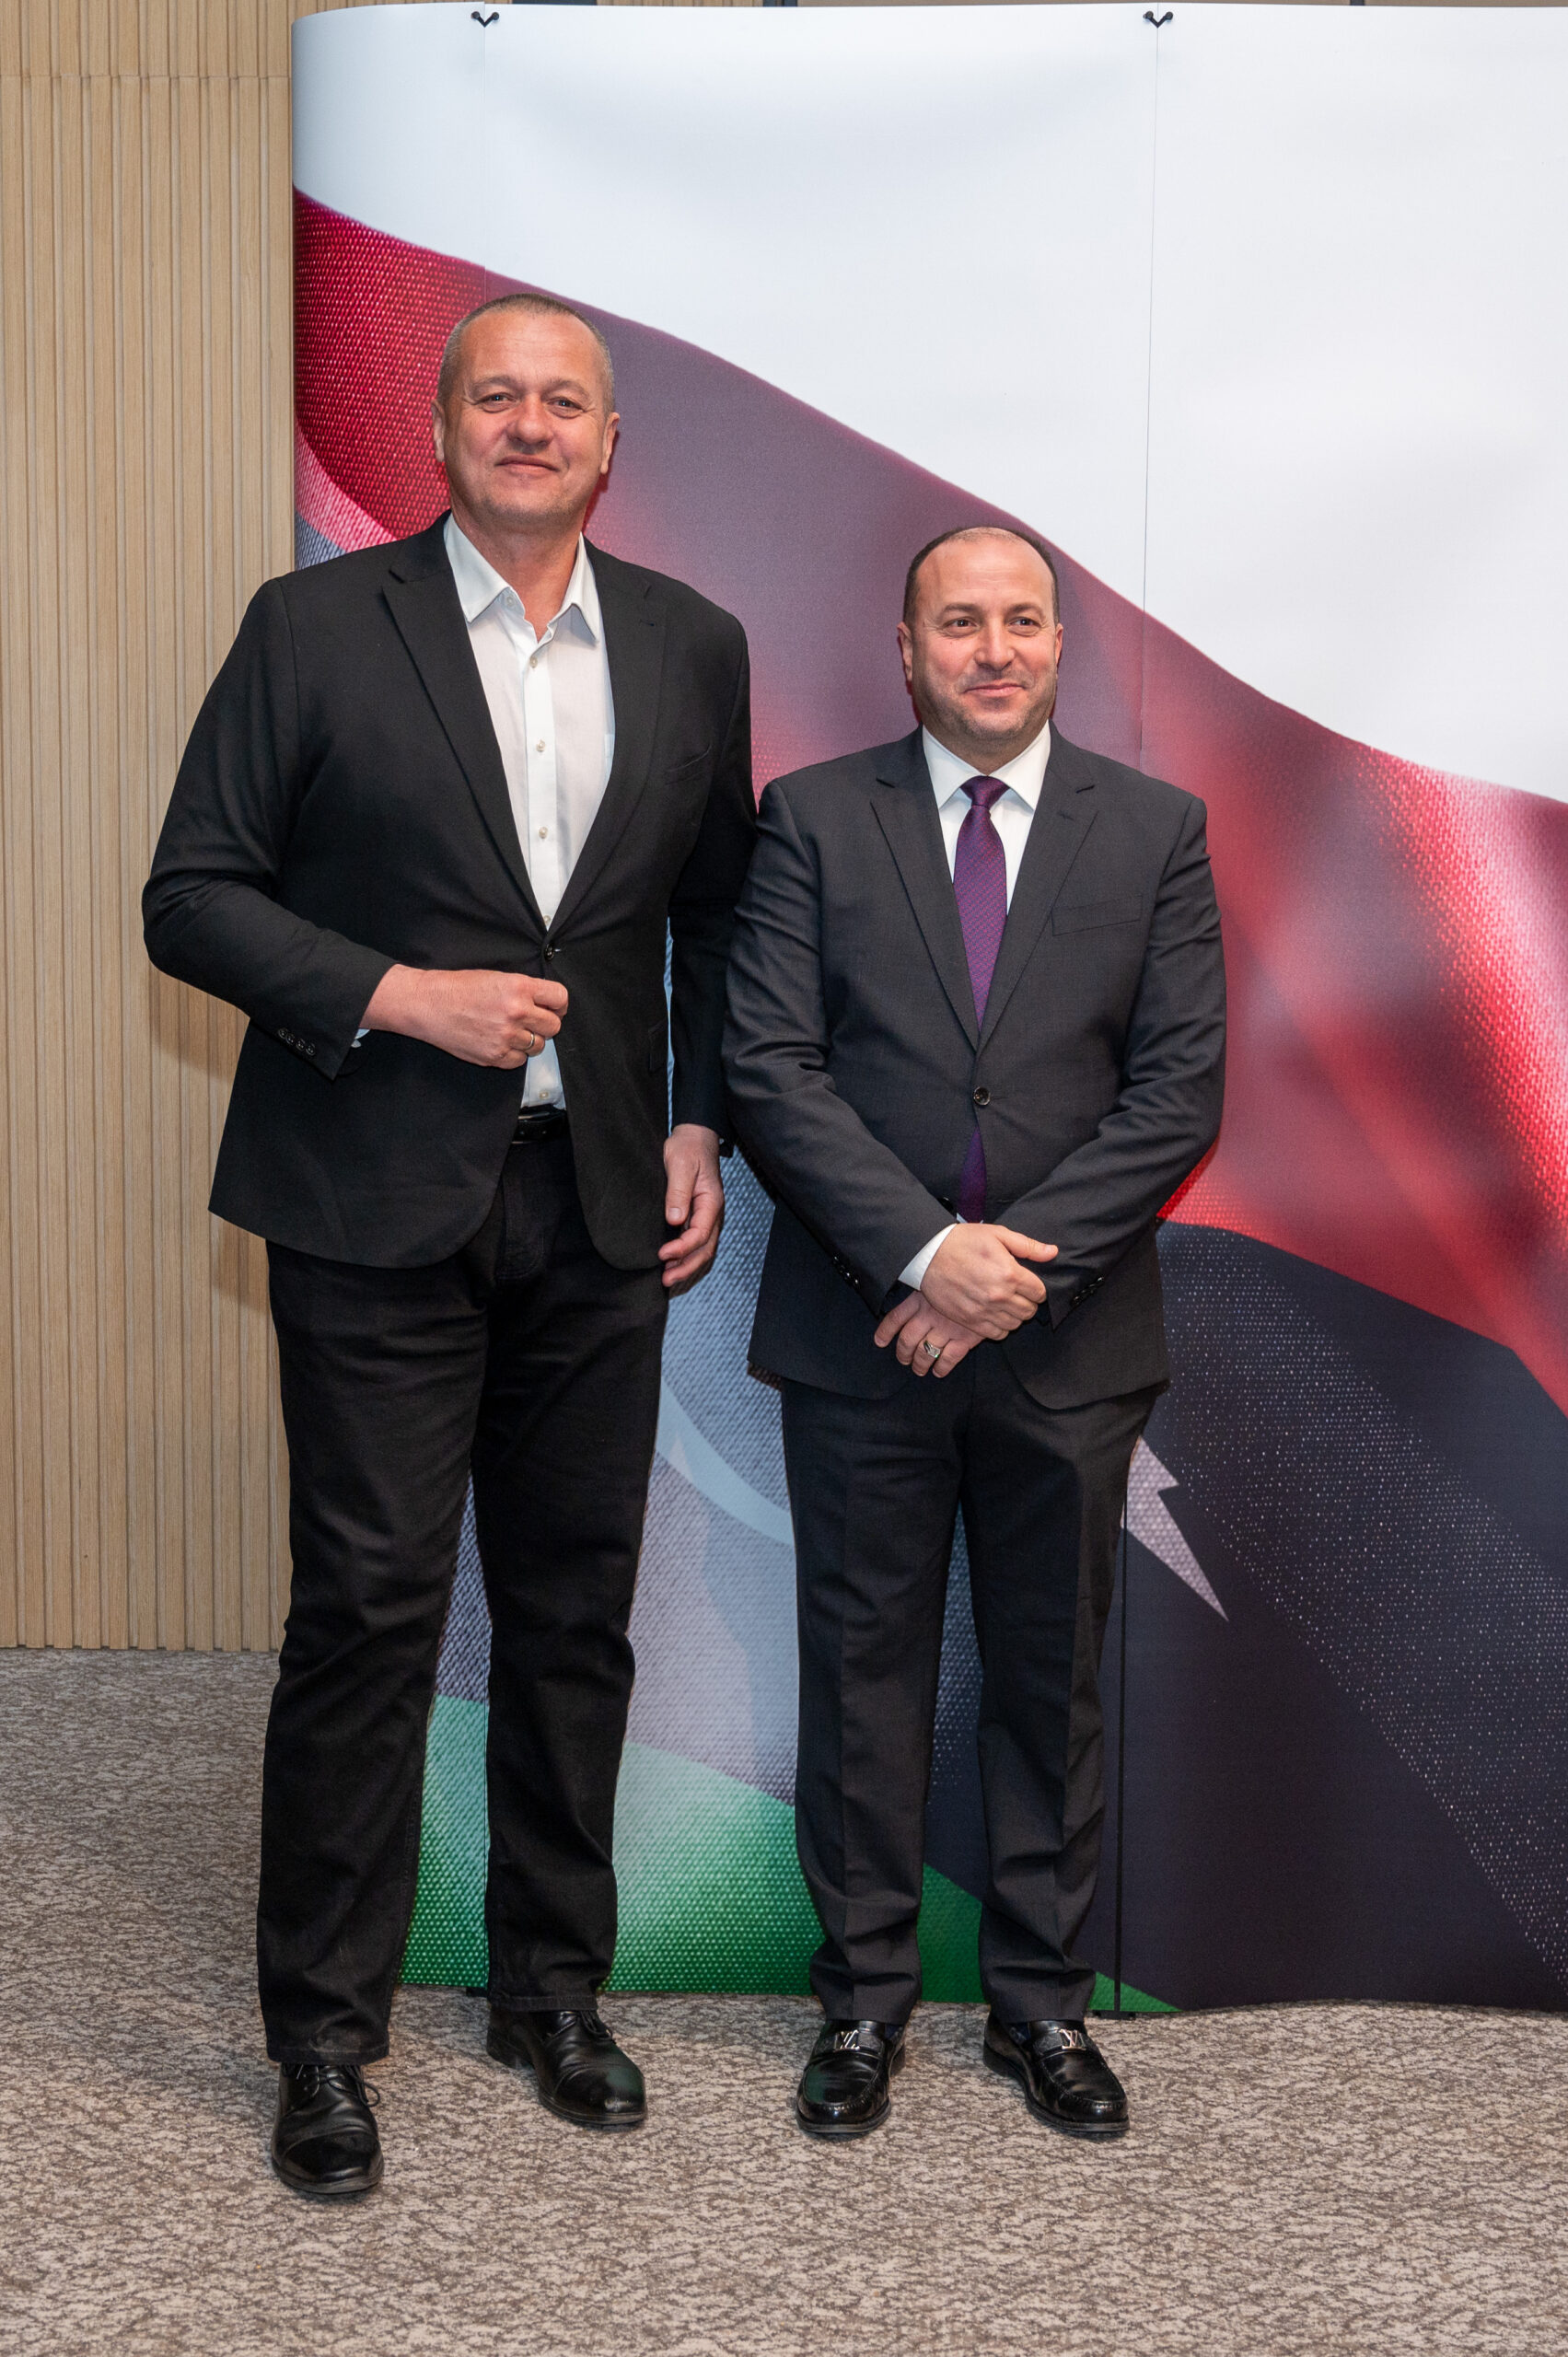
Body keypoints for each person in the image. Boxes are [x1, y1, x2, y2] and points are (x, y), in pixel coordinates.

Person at [145, 293, 753, 2198]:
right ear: (439, 429)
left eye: (565, 400)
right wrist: (398, 993)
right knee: (369, 1612)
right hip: (370, 1201)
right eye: (497, 394)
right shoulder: (312, 627)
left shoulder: (692, 643)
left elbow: (719, 919)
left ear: (610, 443)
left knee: (574, 1612)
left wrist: (699, 1119)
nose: (530, 422)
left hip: (601, 1209)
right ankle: (323, 2034)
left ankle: (549, 1990)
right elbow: (191, 894)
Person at [724, 526, 1224, 2141]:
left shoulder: (1154, 830)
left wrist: (1012, 1277)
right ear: (907, 645)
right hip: (861, 1333)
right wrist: (928, 1256)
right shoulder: (812, 818)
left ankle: (1043, 2009)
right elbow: (769, 1068)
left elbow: (1177, 1093)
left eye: (1021, 620)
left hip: (1069, 1348)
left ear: (1060, 645)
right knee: (860, 1679)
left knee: (1046, 1685)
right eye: (960, 621)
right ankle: (863, 2004)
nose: (992, 648)